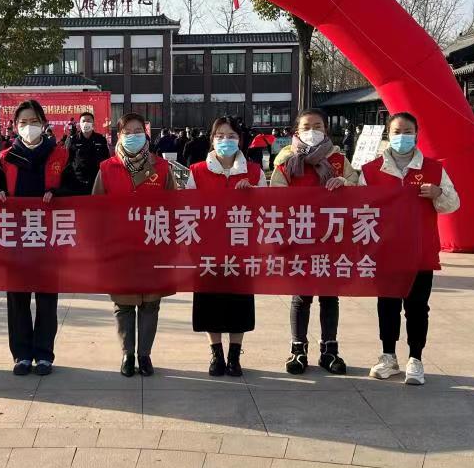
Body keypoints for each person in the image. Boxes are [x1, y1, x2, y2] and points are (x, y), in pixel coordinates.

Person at [360, 112, 460, 386]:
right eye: (397, 131)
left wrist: (439, 193)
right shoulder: (371, 171)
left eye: (407, 131)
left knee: (417, 307)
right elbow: (358, 209)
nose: (402, 137)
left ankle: (415, 358)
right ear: (388, 134)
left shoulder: (433, 169)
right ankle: (388, 356)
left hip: (420, 251)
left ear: (416, 134)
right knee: (387, 305)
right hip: (385, 252)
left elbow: (453, 203)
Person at [92, 113, 186, 376]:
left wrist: (173, 243)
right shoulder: (107, 168)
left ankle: (144, 355)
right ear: (119, 136)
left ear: (146, 135)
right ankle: (127, 354)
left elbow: (174, 207)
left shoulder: (161, 167)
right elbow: (96, 209)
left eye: (137, 131)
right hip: (119, 248)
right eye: (127, 132)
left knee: (150, 303)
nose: (133, 136)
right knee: (123, 304)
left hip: (153, 247)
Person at [271, 109, 353, 375]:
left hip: (332, 238)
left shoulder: (339, 160)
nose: (312, 130)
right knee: (301, 296)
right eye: (306, 126)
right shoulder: (286, 161)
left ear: (326, 130)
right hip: (299, 238)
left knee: (330, 296)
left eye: (317, 126)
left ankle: (329, 350)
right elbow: (275, 199)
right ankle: (298, 349)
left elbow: (361, 191)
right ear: (296, 131)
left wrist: (344, 183)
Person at [0, 99, 68, 376]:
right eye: (23, 122)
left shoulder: (60, 155)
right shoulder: (6, 158)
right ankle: (22, 354)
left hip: (49, 237)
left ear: (44, 124)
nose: (28, 127)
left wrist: (58, 193)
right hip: (15, 238)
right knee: (17, 298)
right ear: (14, 126)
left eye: (34, 121)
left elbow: (75, 189)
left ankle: (44, 353)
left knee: (47, 298)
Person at [189, 116, 266, 376]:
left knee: (238, 303)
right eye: (220, 136)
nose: (225, 140)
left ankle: (235, 355)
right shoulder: (197, 171)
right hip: (207, 249)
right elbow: (187, 210)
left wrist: (252, 195)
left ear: (240, 140)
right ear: (212, 139)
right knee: (210, 303)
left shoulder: (254, 172)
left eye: (231, 136)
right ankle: (216, 354)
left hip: (241, 249)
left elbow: (267, 210)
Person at [64, 111, 110, 195]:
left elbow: (106, 158)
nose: (86, 123)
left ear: (93, 124)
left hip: (97, 182)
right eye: (83, 121)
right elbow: (68, 161)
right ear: (80, 124)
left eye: (89, 121)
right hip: (78, 183)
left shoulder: (100, 139)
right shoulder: (73, 140)